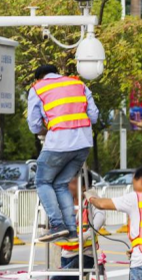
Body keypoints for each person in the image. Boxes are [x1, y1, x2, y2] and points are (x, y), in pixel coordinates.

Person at [28, 64, 99, 242]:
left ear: (39, 78)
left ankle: (57, 224)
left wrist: (47, 127)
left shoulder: (37, 88)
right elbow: (94, 116)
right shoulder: (78, 84)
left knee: (42, 181)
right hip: (83, 144)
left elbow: (34, 125)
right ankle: (71, 230)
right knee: (60, 184)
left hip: (58, 143)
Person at [50, 171, 106, 280]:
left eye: (74, 183)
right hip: (67, 254)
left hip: (85, 255)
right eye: (69, 182)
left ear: (84, 187)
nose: (69, 186)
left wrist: (87, 234)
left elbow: (101, 215)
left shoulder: (90, 201)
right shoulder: (64, 202)